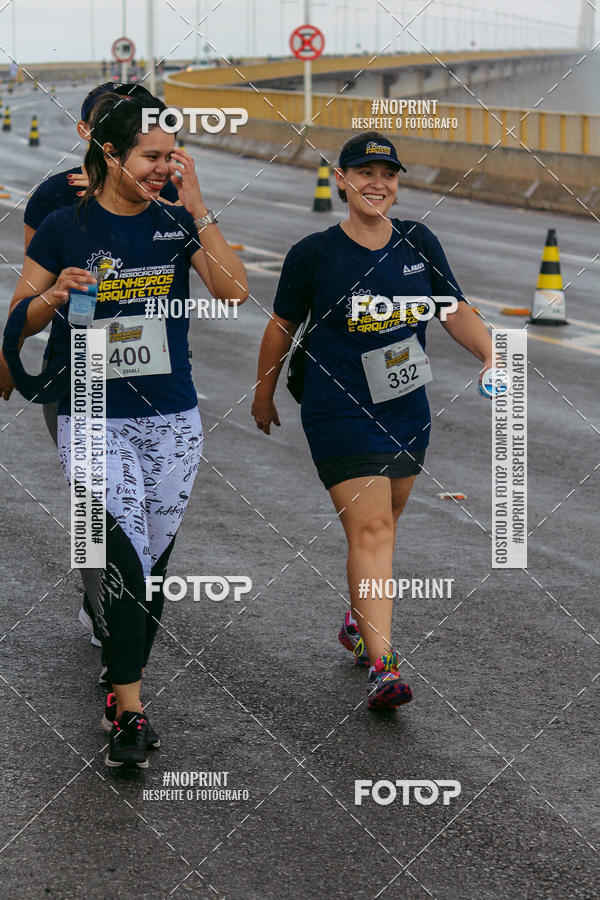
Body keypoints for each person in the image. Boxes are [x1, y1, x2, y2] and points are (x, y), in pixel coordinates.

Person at [4, 93, 248, 766]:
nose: (164, 167)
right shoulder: (63, 225)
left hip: (172, 417)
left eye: (172, 156)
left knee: (153, 566)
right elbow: (19, 317)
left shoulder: (176, 223)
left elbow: (233, 290)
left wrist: (197, 206)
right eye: (151, 156)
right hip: (89, 414)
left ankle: (120, 676)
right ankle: (131, 709)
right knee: (122, 555)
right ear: (110, 153)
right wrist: (49, 300)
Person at [251, 131, 492, 711]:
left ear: (397, 183)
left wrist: (492, 353)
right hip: (338, 408)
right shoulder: (315, 252)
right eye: (365, 173)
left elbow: (453, 309)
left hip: (407, 406)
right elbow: (281, 326)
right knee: (373, 531)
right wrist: (263, 396)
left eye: (387, 174)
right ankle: (384, 668)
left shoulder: (418, 241)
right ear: (342, 179)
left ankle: (359, 620)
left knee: (388, 518)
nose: (377, 183)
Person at [0, 81, 179, 660]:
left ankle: (129, 604)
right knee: (93, 506)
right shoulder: (53, 199)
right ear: (91, 135)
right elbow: (30, 296)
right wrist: (8, 355)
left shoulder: (167, 189)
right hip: (73, 372)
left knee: (145, 512)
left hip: (156, 383)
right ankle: (103, 608)